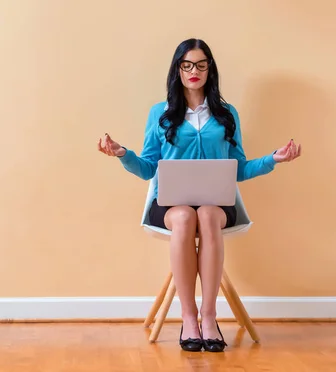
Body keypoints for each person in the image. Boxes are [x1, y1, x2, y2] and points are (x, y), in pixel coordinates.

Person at [97, 38, 301, 352]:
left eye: (201, 65)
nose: (194, 71)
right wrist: (123, 153)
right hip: (169, 204)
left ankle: (209, 315)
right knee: (183, 215)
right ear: (178, 69)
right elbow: (149, 168)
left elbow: (240, 169)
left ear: (210, 70)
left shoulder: (226, 113)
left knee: (205, 212)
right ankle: (189, 317)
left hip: (217, 204)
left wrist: (273, 159)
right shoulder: (160, 113)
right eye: (187, 65)